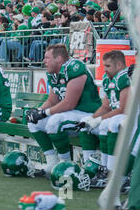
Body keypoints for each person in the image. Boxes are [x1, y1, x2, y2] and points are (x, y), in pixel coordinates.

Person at [26, 44, 102, 175]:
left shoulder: (74, 67)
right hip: (71, 114)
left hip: (87, 112)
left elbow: (69, 103)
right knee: (33, 122)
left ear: (59, 59)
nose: (44, 61)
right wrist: (38, 111)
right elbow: (52, 100)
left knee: (55, 121)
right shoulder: (54, 73)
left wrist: (44, 113)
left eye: (47, 57)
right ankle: (52, 162)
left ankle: (65, 165)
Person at [77, 51, 131, 189]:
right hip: (116, 116)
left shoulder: (125, 77)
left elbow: (124, 109)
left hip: (129, 117)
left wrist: (99, 120)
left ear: (119, 65)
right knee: (85, 125)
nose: (105, 69)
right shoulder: (108, 79)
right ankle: (90, 169)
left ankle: (110, 171)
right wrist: (92, 118)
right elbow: (106, 106)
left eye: (108, 66)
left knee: (108, 124)